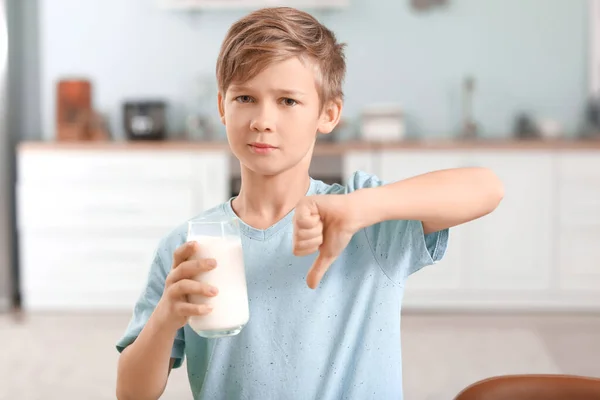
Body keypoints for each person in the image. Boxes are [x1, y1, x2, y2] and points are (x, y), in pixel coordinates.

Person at [115, 6, 504, 400]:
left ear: (329, 113)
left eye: (287, 101)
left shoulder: (365, 223)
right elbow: (131, 393)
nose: (262, 120)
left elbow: (486, 188)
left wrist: (362, 208)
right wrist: (165, 318)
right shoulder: (186, 245)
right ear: (222, 106)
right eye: (245, 97)